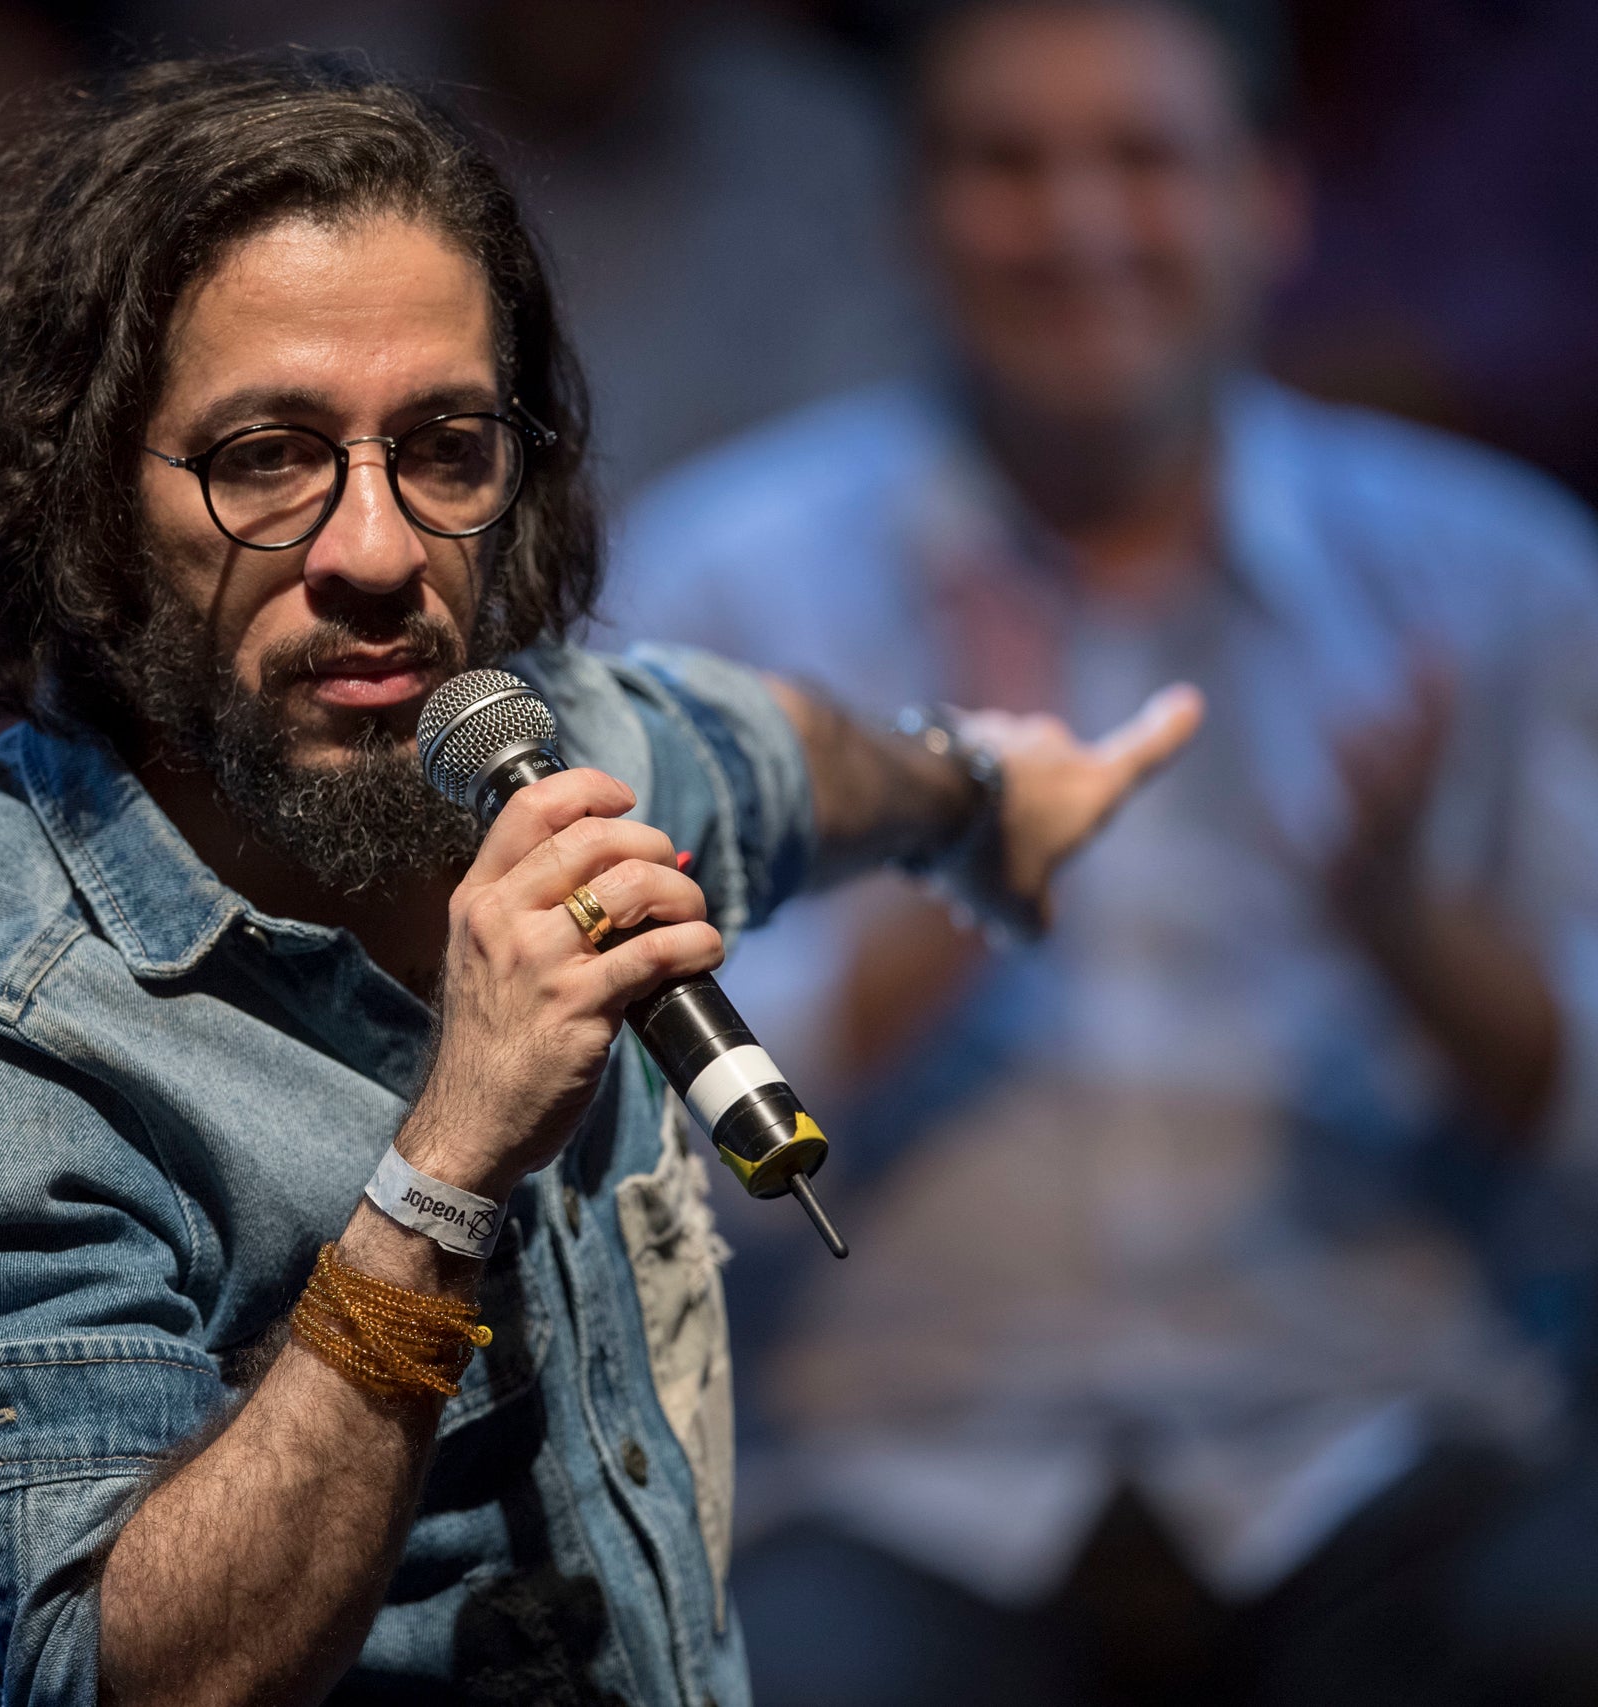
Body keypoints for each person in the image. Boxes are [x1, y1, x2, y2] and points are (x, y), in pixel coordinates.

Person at [0, 52, 1200, 1705]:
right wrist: (445, 1164)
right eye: (267, 457)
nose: (375, 550)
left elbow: (797, 753)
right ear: (80, 498)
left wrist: (984, 795)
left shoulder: (547, 753)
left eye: (442, 447)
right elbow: (126, 1678)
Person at [608, 1, 1598, 1702]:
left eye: (1143, 159)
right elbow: (651, 1187)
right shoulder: (717, 584)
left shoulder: (1492, 575)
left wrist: (1409, 936)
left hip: (1377, 1439)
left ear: (1271, 196)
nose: (1077, 227)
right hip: (897, 1477)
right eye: (1008, 164)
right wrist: (947, 869)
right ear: (911, 208)